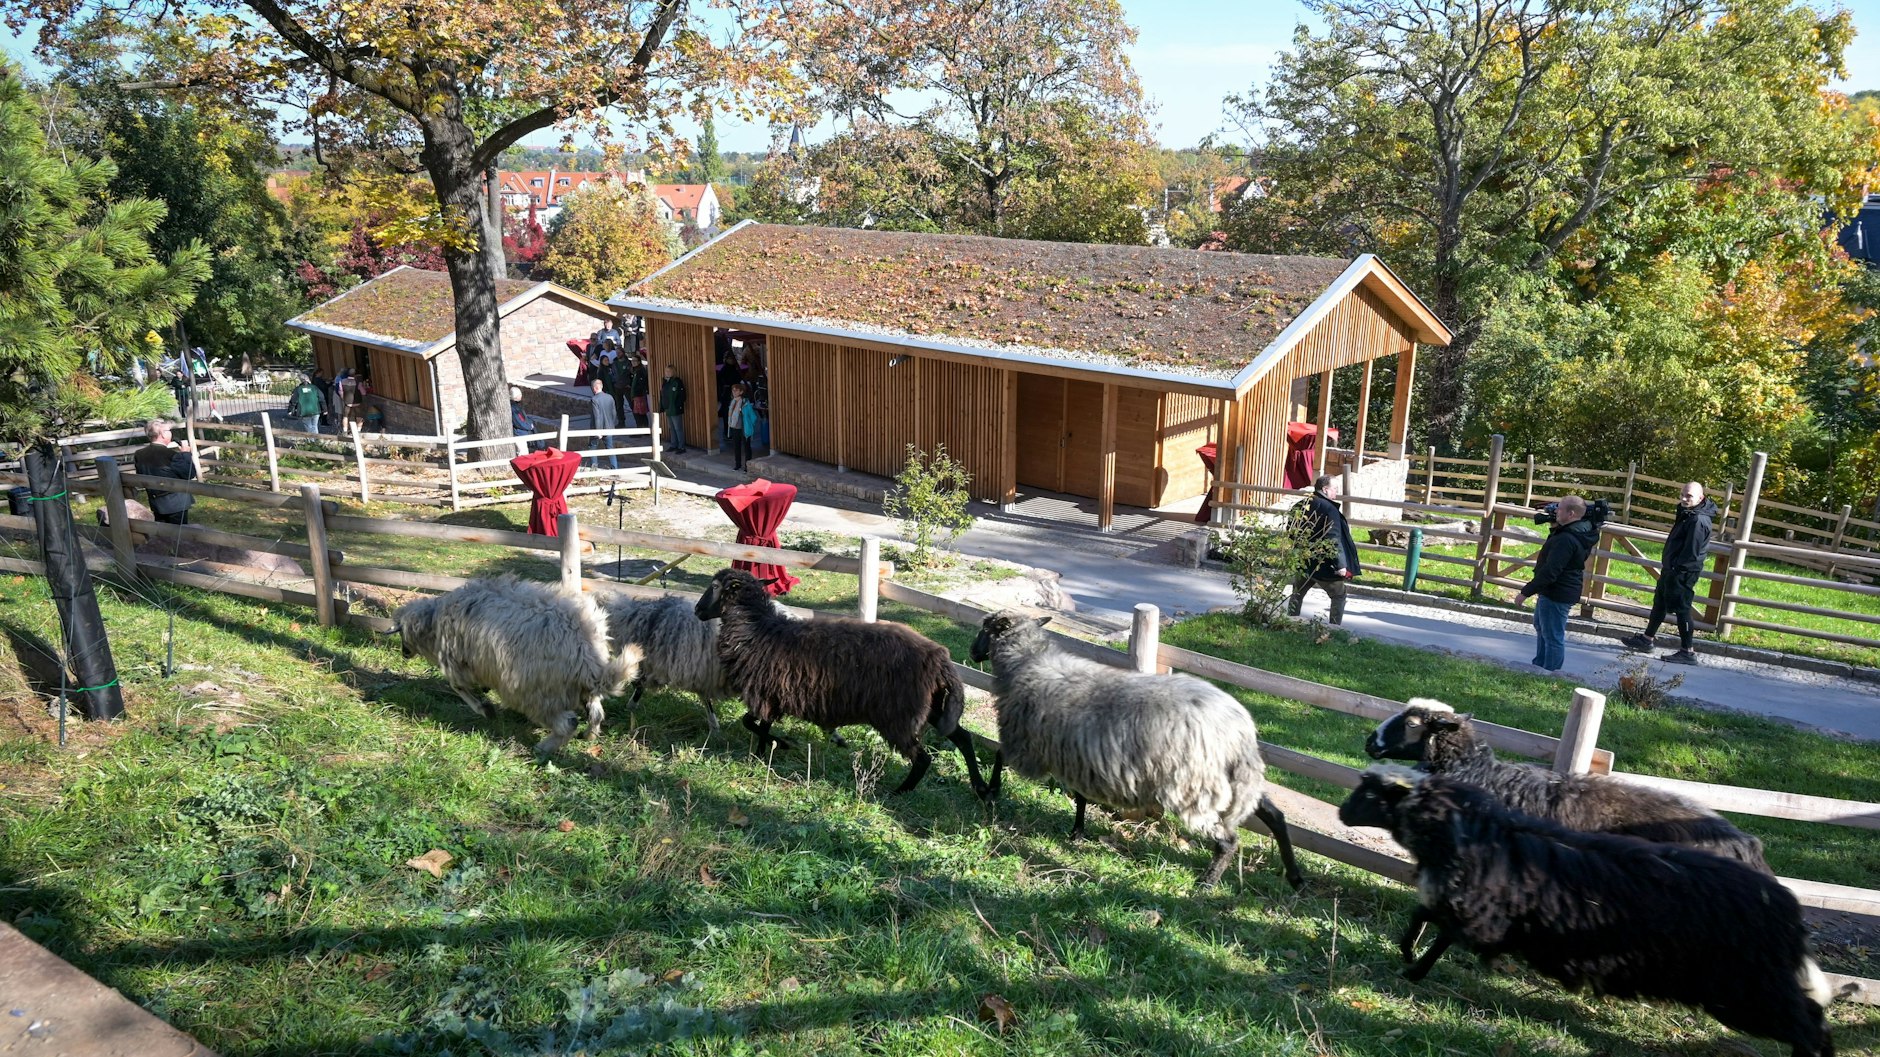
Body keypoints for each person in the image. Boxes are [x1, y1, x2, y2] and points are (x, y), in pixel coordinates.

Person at [1623, 482, 1716, 665]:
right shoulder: (1687, 513)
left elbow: (1692, 552)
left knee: (1682, 609)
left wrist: (1676, 569)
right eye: (1682, 494)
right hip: (1672, 568)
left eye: (1689, 496)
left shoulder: (1698, 520)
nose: (1683, 499)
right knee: (1660, 603)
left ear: (1700, 498)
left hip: (1683, 571)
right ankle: (1647, 639)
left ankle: (1688, 652)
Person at [1516, 494, 1602, 672]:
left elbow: (1551, 571)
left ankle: (1550, 673)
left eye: (1560, 509)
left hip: (1558, 592)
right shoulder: (1573, 532)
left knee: (1553, 635)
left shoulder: (1566, 539)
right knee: (1542, 627)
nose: (1555, 511)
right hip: (1553, 590)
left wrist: (1526, 592)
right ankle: (1539, 666)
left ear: (1571, 514)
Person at [1286, 473, 1362, 624]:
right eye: (1335, 489)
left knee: (1297, 593)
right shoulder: (1330, 510)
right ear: (1325, 489)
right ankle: (1334, 628)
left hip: (1303, 561)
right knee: (1339, 595)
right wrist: (1341, 565)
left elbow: (1291, 531)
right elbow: (1333, 538)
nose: (1336, 492)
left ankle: (1290, 622)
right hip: (1324, 564)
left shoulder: (1301, 504)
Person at [133, 419, 198, 525]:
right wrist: (185, 454)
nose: (171, 433)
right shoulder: (171, 455)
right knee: (178, 535)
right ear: (162, 434)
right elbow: (189, 473)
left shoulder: (139, 454)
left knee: (162, 535)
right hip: (176, 503)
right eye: (168, 431)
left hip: (155, 502)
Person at [587, 377, 621, 470]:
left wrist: (599, 431)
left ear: (594, 388)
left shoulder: (594, 399)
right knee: (610, 448)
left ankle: (594, 468)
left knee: (592, 447)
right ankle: (615, 469)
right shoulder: (610, 397)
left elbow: (597, 416)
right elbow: (614, 413)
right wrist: (612, 424)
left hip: (597, 428)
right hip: (609, 427)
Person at [659, 362, 687, 454]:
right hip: (668, 408)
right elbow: (663, 395)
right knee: (671, 428)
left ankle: (681, 446)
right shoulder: (665, 382)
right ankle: (673, 444)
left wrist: (678, 405)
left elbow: (682, 396)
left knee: (678, 428)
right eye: (666, 371)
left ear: (673, 372)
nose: (667, 373)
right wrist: (662, 406)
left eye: (669, 371)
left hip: (675, 408)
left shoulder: (677, 382)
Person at [726, 382, 753, 471]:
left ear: (741, 392)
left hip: (744, 428)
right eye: (733, 390)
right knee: (736, 447)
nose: (734, 392)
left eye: (736, 390)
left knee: (747, 448)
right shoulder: (732, 401)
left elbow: (752, 416)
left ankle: (747, 467)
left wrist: (750, 425)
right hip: (734, 428)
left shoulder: (745, 402)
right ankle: (737, 465)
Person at [510, 386, 543, 452]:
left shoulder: (516, 406)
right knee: (523, 452)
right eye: (519, 395)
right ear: (516, 396)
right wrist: (529, 426)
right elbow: (518, 422)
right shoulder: (514, 407)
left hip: (522, 432)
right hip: (519, 433)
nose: (521, 396)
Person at [626, 355, 652, 430]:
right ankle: (641, 428)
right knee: (638, 413)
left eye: (635, 361)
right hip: (635, 394)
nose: (633, 362)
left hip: (639, 395)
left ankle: (643, 429)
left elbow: (642, 383)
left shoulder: (641, 371)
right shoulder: (633, 370)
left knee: (641, 413)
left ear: (639, 362)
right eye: (632, 361)